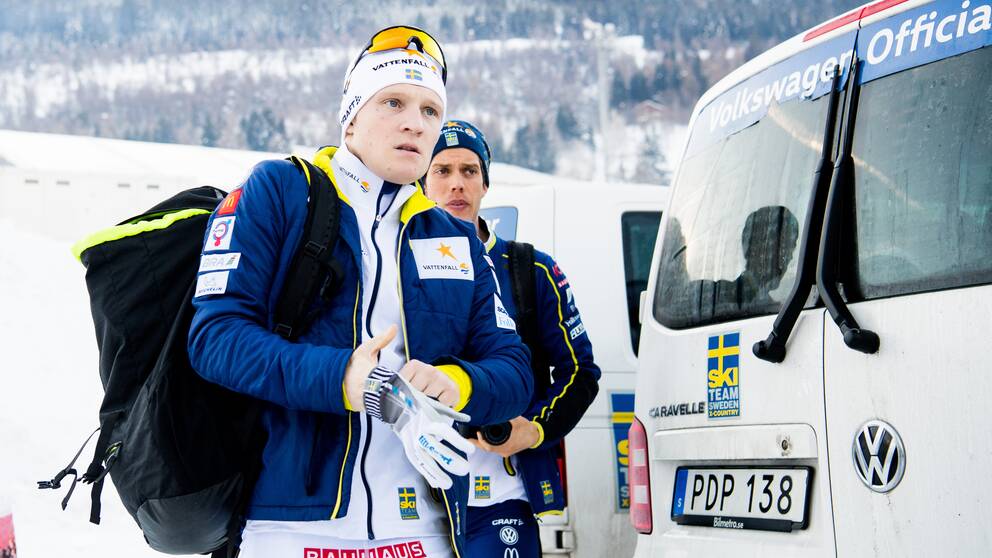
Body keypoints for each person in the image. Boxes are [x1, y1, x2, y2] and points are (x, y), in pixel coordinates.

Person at [187, 27, 532, 558]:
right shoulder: (280, 191)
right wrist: (343, 378)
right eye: (393, 102)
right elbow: (216, 338)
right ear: (351, 116)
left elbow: (514, 369)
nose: (416, 123)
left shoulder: (452, 235)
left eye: (430, 110)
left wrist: (458, 383)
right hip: (290, 527)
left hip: (425, 528)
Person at [423, 120, 601, 558]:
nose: (457, 183)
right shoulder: (397, 263)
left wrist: (534, 429)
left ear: (485, 183)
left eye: (469, 170)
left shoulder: (530, 269)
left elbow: (580, 372)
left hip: (501, 494)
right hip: (412, 494)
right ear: (421, 183)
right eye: (442, 171)